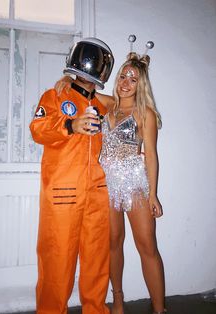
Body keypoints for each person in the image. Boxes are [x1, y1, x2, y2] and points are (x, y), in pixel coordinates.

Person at [55, 51, 166, 314]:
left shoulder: (145, 113)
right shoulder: (108, 104)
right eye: (123, 76)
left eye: (133, 79)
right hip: (106, 184)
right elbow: (83, 90)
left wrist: (153, 195)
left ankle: (160, 309)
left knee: (147, 246)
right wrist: (67, 81)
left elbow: (151, 154)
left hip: (134, 183)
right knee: (113, 244)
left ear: (142, 85)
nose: (125, 82)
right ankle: (117, 301)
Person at [30, 37, 114, 314]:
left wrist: (81, 90)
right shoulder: (54, 96)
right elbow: (37, 129)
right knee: (57, 262)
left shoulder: (102, 105)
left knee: (97, 263)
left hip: (96, 194)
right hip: (62, 193)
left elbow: (115, 102)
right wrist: (70, 123)